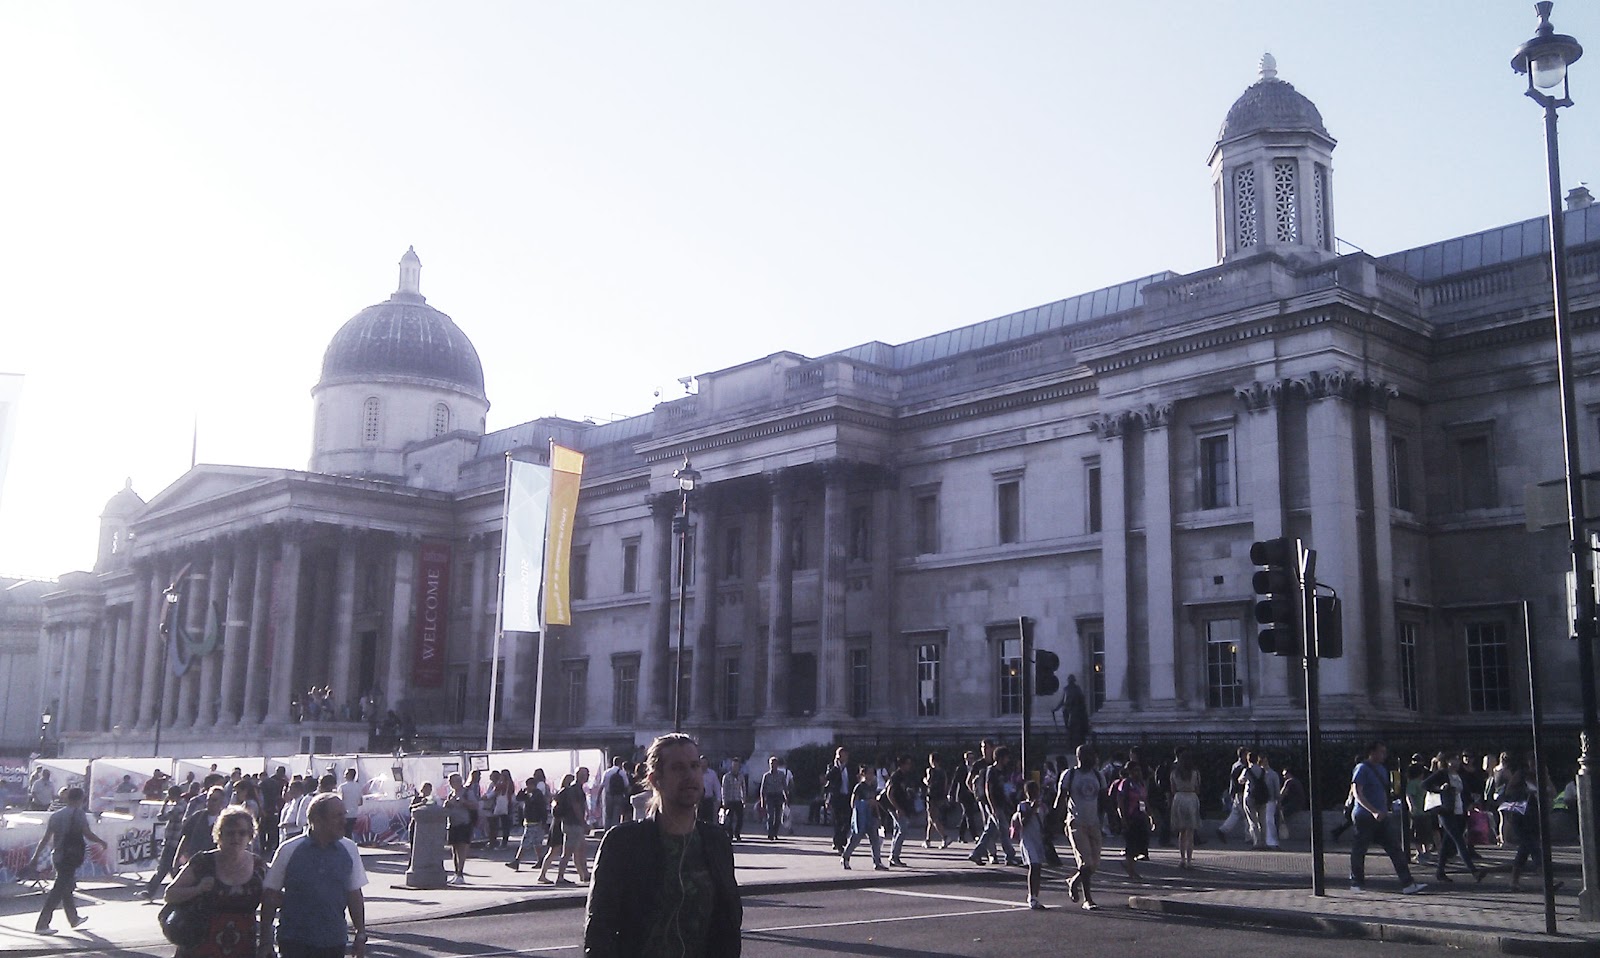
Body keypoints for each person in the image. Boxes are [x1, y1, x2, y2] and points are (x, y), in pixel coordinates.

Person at [584, 733, 741, 957]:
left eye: (694, 766)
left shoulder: (716, 841)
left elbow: (729, 922)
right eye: (678, 768)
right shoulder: (623, 843)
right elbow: (600, 930)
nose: (690, 775)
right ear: (655, 779)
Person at [261, 793, 369, 958]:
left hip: (334, 941)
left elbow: (354, 894)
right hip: (294, 941)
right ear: (317, 820)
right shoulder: (289, 850)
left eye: (344, 814)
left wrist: (360, 934)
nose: (344, 821)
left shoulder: (349, 849)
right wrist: (265, 940)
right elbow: (270, 896)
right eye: (337, 816)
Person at [164, 805, 266, 957]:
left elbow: (271, 899)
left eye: (242, 832)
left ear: (250, 836)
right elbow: (170, 894)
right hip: (200, 944)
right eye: (230, 833)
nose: (236, 837)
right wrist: (197, 889)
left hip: (243, 946)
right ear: (219, 835)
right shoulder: (203, 862)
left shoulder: (258, 866)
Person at [1349, 742, 1427, 895]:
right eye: (1381, 752)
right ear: (1372, 752)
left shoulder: (1382, 769)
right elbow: (1357, 792)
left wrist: (1385, 809)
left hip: (1382, 815)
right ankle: (1356, 882)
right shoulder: (1362, 768)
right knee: (1360, 849)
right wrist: (1373, 811)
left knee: (1395, 848)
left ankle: (1407, 883)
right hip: (1365, 815)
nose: (1384, 755)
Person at [29, 786, 108, 934]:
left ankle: (73, 918)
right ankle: (42, 924)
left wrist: (35, 857)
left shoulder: (56, 815)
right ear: (81, 799)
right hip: (70, 856)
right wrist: (101, 842)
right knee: (58, 890)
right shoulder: (79, 814)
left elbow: (45, 839)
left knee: (66, 885)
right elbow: (87, 833)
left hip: (58, 855)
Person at [1423, 752, 1488, 883]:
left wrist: (1471, 803)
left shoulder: (1459, 775)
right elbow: (1425, 785)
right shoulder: (1442, 774)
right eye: (1454, 759)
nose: (1457, 762)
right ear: (1447, 761)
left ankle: (1440, 872)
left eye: (1457, 760)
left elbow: (1465, 792)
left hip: (1459, 811)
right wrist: (1439, 789)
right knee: (1459, 840)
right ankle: (1474, 871)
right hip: (1445, 811)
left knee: (1447, 842)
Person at [1056, 744, 1105, 911]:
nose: (1093, 759)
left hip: (1094, 822)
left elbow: (1104, 798)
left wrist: (1114, 817)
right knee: (1086, 861)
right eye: (1089, 755)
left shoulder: (1098, 775)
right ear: (1080, 757)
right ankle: (1088, 899)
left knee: (1095, 863)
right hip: (1076, 822)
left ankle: (1074, 881)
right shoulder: (1070, 775)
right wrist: (1054, 820)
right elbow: (1061, 798)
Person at [539, 766, 591, 885]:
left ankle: (583, 874)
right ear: (580, 775)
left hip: (571, 824)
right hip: (572, 824)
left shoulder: (574, 789)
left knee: (580, 849)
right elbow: (576, 807)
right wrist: (583, 822)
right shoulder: (575, 790)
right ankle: (560, 877)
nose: (588, 776)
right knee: (567, 852)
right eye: (586, 774)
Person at [842, 766, 887, 871]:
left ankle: (877, 862)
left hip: (871, 816)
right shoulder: (859, 787)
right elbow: (853, 803)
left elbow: (874, 801)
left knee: (875, 840)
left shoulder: (873, 786)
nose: (871, 776)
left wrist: (878, 816)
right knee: (855, 839)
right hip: (861, 817)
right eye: (869, 773)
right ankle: (845, 857)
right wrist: (865, 803)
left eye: (872, 773)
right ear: (863, 774)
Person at [506, 773, 550, 872]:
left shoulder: (537, 795)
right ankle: (540, 860)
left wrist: (543, 821)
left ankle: (517, 861)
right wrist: (522, 791)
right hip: (531, 821)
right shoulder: (529, 794)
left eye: (529, 785)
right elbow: (519, 798)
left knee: (525, 842)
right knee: (537, 842)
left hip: (534, 821)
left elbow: (541, 808)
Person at [1168, 748, 1201, 869]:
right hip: (1191, 797)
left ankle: (1182, 859)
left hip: (1179, 798)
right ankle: (1189, 860)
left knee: (1181, 832)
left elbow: (1172, 789)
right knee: (1190, 832)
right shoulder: (1195, 773)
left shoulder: (1174, 773)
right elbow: (1197, 788)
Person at [1117, 761, 1150, 880]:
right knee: (1131, 844)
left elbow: (1144, 801)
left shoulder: (1140, 784)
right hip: (1130, 817)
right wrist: (1123, 818)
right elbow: (1120, 801)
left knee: (1141, 843)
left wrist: (1150, 816)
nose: (1138, 773)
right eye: (1135, 770)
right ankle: (1130, 869)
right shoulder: (1126, 783)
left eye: (1139, 770)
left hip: (1141, 817)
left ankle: (1129, 865)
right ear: (1130, 772)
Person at [442, 773, 474, 885]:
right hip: (452, 824)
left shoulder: (467, 792)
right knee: (454, 849)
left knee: (462, 848)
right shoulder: (450, 794)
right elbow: (446, 808)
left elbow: (475, 805)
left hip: (464, 823)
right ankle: (456, 873)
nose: (454, 783)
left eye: (457, 780)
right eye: (452, 781)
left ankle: (460, 873)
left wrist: (463, 802)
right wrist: (447, 804)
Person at [884, 754, 915, 866]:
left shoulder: (905, 775)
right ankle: (894, 856)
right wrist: (897, 808)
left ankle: (893, 856)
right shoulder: (896, 776)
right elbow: (889, 793)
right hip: (895, 807)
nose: (909, 766)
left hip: (902, 806)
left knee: (897, 831)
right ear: (902, 764)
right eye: (907, 763)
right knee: (903, 830)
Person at [1216, 746, 1249, 843]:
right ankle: (1249, 836)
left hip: (1237, 793)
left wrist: (1232, 793)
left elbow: (1232, 781)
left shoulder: (1235, 765)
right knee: (1247, 815)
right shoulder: (1243, 767)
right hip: (1242, 793)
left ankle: (1223, 830)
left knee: (1235, 814)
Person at [822, 746, 853, 853]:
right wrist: (836, 767)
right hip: (836, 797)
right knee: (837, 821)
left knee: (848, 820)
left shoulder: (851, 767)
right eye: (840, 755)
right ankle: (838, 843)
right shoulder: (832, 767)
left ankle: (841, 839)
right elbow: (828, 777)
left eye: (844, 755)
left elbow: (854, 780)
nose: (842, 757)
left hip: (848, 797)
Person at [923, 752, 952, 848]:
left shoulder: (930, 770)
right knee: (930, 819)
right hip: (940, 797)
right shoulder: (943, 772)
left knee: (934, 818)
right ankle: (927, 840)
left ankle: (945, 837)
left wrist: (924, 780)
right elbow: (946, 784)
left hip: (931, 797)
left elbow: (928, 782)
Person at [758, 756, 790, 842]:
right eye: (771, 764)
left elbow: (785, 787)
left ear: (777, 765)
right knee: (770, 816)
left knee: (778, 817)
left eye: (774, 764)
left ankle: (775, 833)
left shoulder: (781, 775)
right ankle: (770, 833)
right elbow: (762, 790)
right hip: (770, 797)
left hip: (779, 796)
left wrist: (786, 798)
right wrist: (762, 802)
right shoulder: (766, 776)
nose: (773, 765)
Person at [599, 756, 632, 830]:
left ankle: (606, 830)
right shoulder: (622, 773)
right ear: (620, 763)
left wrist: (598, 798)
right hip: (618, 795)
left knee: (608, 815)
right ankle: (614, 831)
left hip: (608, 795)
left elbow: (601, 786)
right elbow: (627, 785)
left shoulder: (606, 772)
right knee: (616, 815)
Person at [720, 758, 747, 841]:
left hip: (738, 799)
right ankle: (730, 834)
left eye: (737, 765)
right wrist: (724, 801)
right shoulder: (726, 777)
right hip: (729, 800)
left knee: (740, 818)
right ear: (731, 766)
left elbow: (743, 788)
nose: (735, 767)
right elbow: (724, 789)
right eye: (734, 765)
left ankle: (737, 833)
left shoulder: (741, 776)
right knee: (729, 819)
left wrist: (744, 799)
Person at [337, 769, 363, 841]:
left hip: (343, 814)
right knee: (349, 832)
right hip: (354, 814)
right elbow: (360, 802)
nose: (344, 776)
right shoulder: (358, 786)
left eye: (345, 774)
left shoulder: (342, 787)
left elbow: (339, 801)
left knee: (343, 834)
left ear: (348, 775)